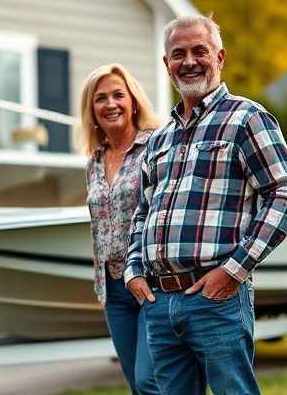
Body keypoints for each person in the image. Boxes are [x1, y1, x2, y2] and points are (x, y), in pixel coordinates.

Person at [124, 15, 287, 395]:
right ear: (166, 64)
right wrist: (133, 272)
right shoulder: (159, 140)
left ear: (219, 57)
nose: (188, 61)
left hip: (217, 299)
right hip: (160, 303)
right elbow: (142, 211)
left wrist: (233, 270)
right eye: (178, 54)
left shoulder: (246, 119)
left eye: (199, 51)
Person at [80, 63, 163, 395]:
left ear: (133, 102)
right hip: (114, 290)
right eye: (101, 98)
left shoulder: (156, 146)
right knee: (136, 383)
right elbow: (96, 226)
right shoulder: (94, 162)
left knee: (150, 380)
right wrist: (102, 284)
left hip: (151, 282)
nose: (110, 104)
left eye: (118, 95)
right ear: (92, 110)